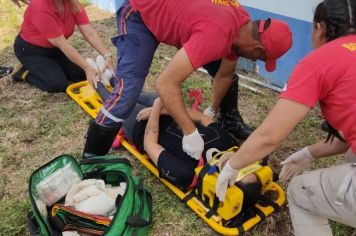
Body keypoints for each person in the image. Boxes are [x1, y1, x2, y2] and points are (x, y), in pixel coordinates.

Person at [82, 0, 293, 160]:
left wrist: (211, 110)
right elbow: (165, 83)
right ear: (257, 48)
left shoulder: (242, 25)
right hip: (141, 13)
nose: (256, 61)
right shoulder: (217, 33)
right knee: (128, 92)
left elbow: (225, 73)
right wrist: (189, 131)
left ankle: (229, 122)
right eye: (260, 58)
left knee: (224, 69)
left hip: (171, 14)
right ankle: (92, 157)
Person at [215, 0, 356, 235]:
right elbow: (348, 134)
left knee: (299, 193)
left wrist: (232, 166)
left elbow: (269, 136)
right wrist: (307, 154)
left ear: (319, 28)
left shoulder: (321, 60)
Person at [120, 92, 262, 212]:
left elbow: (150, 145)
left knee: (120, 99)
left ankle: (102, 82)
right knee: (131, 89)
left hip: (142, 127)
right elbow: (201, 118)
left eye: (237, 173)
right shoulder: (229, 144)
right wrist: (166, 109)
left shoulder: (187, 175)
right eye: (245, 167)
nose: (237, 164)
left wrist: (157, 108)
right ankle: (113, 78)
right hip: (172, 111)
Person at [12, 0, 114, 93]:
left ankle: (53, 66)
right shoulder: (39, 7)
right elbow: (62, 44)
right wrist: (87, 67)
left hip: (55, 48)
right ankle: (23, 71)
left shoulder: (73, 3)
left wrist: (106, 54)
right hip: (31, 50)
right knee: (57, 84)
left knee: (81, 75)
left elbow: (89, 33)